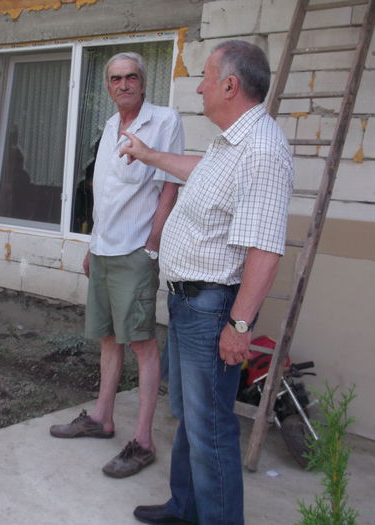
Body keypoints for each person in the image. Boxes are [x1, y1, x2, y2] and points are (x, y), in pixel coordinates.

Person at [120, 40, 293, 524]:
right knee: (192, 421)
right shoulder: (231, 142)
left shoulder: (261, 149)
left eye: (206, 77)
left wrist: (239, 325)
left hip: (212, 308)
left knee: (211, 427)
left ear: (230, 86)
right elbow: (201, 172)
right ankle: (184, 508)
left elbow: (265, 248)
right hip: (189, 304)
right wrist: (150, 155)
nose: (198, 86)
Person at [50, 51, 184, 478]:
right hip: (105, 248)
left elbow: (169, 187)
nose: (123, 85)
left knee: (142, 342)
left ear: (143, 84)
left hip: (135, 251)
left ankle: (143, 440)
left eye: (130, 78)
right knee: (108, 338)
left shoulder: (164, 121)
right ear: (108, 87)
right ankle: (103, 418)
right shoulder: (110, 127)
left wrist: (152, 244)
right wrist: (92, 244)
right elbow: (105, 194)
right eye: (115, 79)